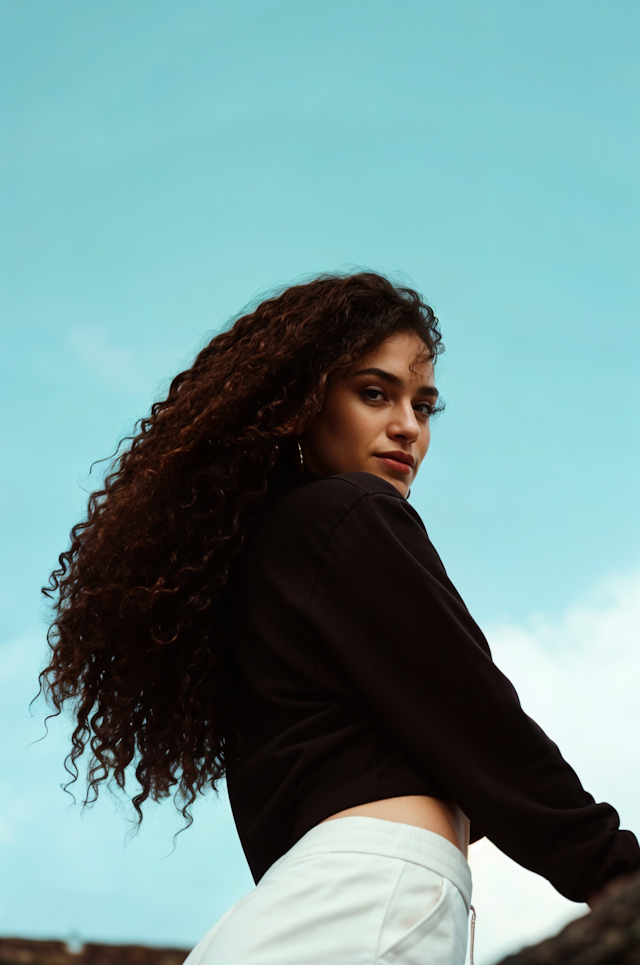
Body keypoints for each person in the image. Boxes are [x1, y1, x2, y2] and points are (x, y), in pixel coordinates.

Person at [42, 272, 639, 965]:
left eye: (425, 406)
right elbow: (475, 716)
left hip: (304, 909)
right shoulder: (345, 513)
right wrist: (612, 872)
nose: (407, 427)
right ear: (301, 402)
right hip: (366, 897)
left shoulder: (268, 562)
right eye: (374, 393)